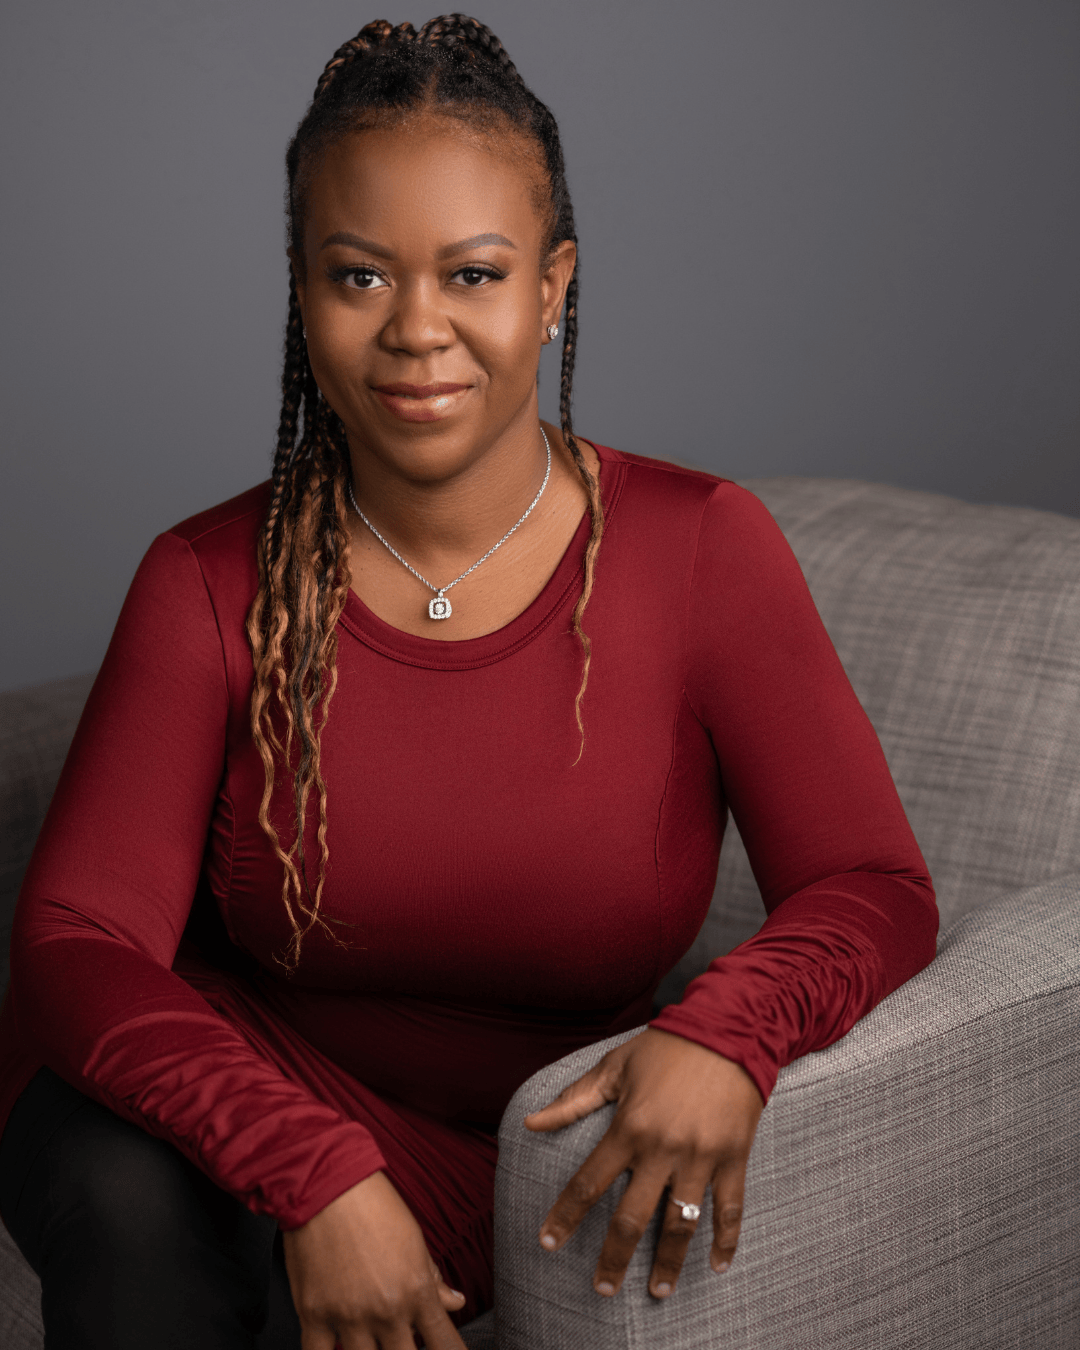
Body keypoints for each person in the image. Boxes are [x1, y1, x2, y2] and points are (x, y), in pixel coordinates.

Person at [0, 15, 938, 1350]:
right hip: (220, 1090)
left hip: (521, 1138)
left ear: (552, 287)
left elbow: (875, 884)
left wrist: (735, 1027)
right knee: (134, 1204)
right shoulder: (205, 576)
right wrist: (309, 1165)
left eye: (474, 274)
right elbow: (77, 946)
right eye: (360, 275)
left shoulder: (702, 549)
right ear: (301, 287)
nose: (417, 330)